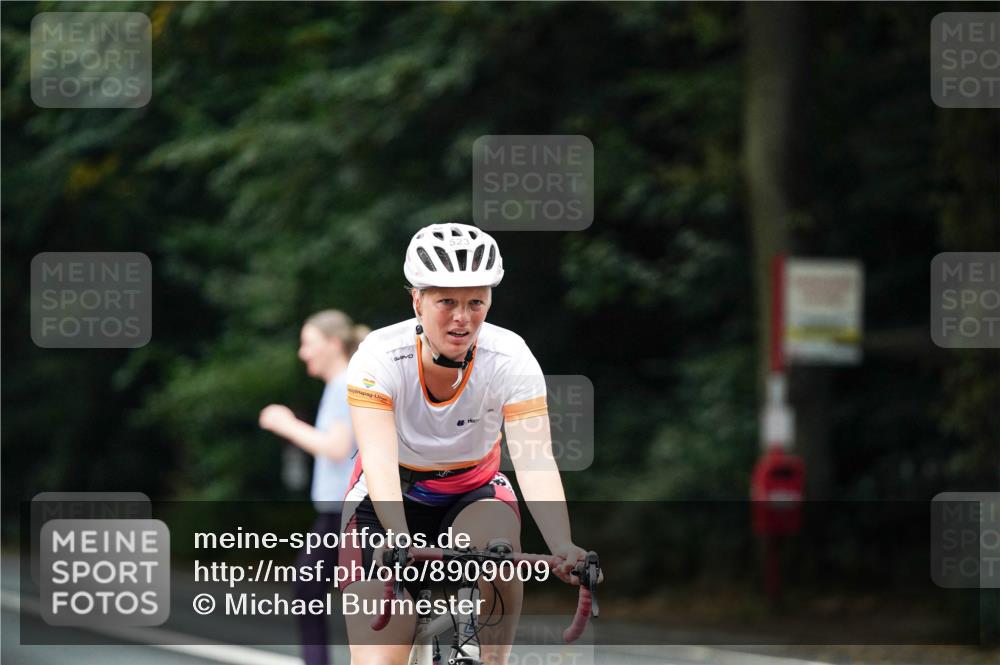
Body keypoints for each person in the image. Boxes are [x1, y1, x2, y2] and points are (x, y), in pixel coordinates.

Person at [340, 223, 589, 665]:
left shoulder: (510, 357)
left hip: (473, 490)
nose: (462, 317)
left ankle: (491, 659)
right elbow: (376, 459)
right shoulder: (379, 355)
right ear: (417, 299)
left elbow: (534, 458)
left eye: (476, 302)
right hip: (388, 496)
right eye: (446, 302)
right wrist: (397, 537)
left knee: (496, 550)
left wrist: (563, 545)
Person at [259, 310, 370, 665]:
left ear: (333, 344)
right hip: (339, 512)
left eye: (308, 343)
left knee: (311, 591)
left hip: (343, 513)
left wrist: (285, 423)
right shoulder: (341, 384)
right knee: (318, 591)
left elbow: (336, 448)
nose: (302, 352)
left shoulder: (344, 384)